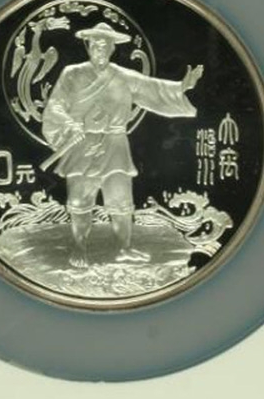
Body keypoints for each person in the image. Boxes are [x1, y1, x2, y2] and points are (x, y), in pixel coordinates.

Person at [41, 21, 203, 267]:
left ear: (112, 48)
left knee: (121, 199)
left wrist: (182, 86)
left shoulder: (124, 76)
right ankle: (79, 246)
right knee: (80, 199)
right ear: (88, 46)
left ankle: (124, 248)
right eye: (95, 45)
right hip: (82, 142)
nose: (100, 49)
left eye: (105, 45)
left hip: (115, 143)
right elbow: (54, 105)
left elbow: (153, 89)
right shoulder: (72, 74)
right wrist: (69, 123)